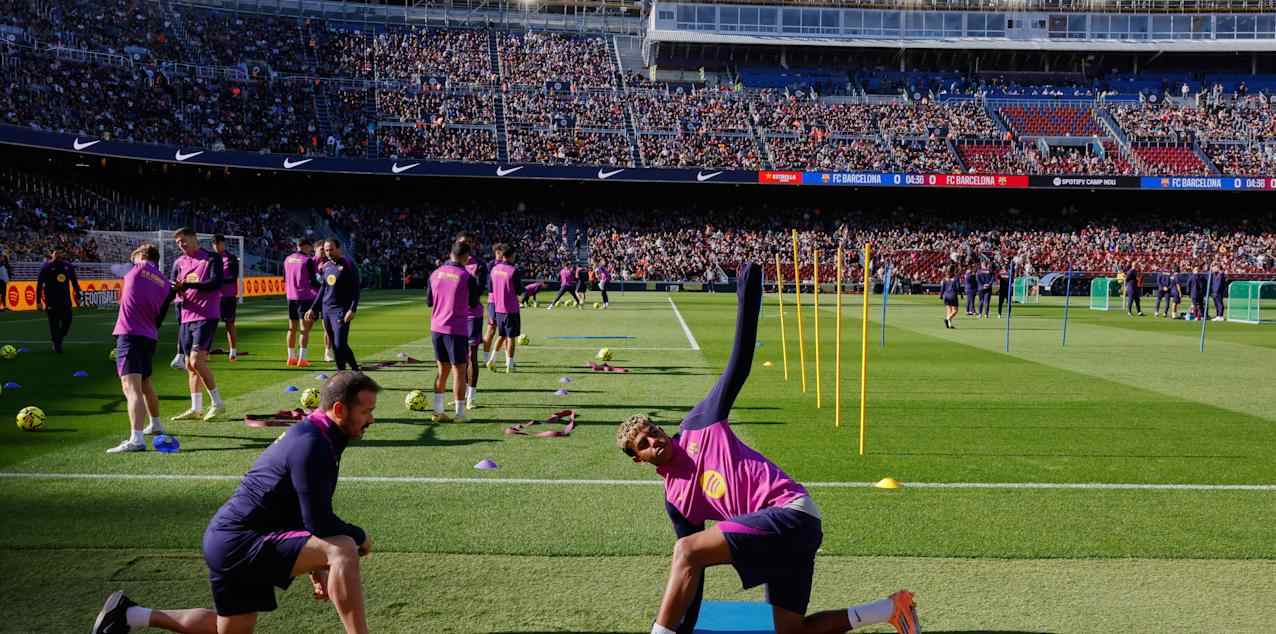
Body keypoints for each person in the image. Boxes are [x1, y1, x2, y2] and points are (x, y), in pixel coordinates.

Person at [614, 262, 919, 634]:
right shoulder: (676, 499)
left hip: (792, 513)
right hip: (780, 540)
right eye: (644, 444)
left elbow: (738, 366)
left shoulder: (698, 424)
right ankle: (891, 608)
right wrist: (683, 628)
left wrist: (748, 299)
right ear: (638, 459)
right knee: (792, 631)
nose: (655, 441)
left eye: (654, 431)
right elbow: (692, 575)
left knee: (686, 551)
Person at [92, 371, 380, 634]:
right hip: (241, 539)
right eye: (366, 411)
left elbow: (296, 506)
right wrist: (359, 536)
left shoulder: (321, 434)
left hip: (229, 539)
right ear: (340, 410)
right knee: (343, 547)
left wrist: (315, 565)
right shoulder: (313, 443)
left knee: (229, 628)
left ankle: (130, 615)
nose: (371, 419)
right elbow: (318, 522)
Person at [107, 244, 177, 453]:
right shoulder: (164, 283)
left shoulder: (134, 269)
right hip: (149, 335)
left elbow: (114, 268)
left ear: (141, 256)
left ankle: (136, 439)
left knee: (131, 387)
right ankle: (155, 424)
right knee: (145, 383)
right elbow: (168, 299)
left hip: (130, 332)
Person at [170, 228, 227, 422]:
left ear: (195, 238)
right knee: (189, 365)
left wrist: (188, 285)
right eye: (178, 242)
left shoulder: (211, 258)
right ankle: (195, 409)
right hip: (186, 317)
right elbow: (173, 285)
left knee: (196, 361)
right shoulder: (179, 262)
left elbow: (215, 283)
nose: (181, 244)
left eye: (184, 240)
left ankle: (218, 403)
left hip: (206, 315)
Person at [426, 240, 480, 422]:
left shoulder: (435, 273)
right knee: (460, 370)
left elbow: (429, 302)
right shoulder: (467, 277)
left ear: (450, 254)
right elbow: (473, 303)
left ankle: (438, 411)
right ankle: (460, 413)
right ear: (466, 257)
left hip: (436, 327)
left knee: (442, 371)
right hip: (456, 329)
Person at [307, 239, 360, 372]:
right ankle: (342, 372)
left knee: (339, 343)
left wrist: (352, 309)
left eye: (331, 249)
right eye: (326, 250)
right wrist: (313, 308)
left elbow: (356, 288)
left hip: (341, 310)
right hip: (326, 310)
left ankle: (353, 371)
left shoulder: (348, 264)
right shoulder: (326, 266)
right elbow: (323, 289)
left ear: (338, 249)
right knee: (336, 345)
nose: (328, 253)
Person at [456, 232, 489, 410]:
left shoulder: (479, 265)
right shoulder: (450, 266)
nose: (465, 246)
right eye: (462, 243)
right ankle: (459, 394)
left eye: (468, 243)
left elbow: (477, 294)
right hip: (453, 316)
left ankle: (470, 397)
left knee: (471, 356)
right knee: (457, 359)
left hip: (471, 316)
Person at [35, 247, 83, 353]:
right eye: (55, 253)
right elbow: (39, 285)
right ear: (52, 254)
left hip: (66, 300)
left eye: (60, 252)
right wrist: (38, 301)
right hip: (51, 301)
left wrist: (78, 296)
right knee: (54, 324)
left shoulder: (68, 266)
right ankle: (57, 344)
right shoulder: (46, 267)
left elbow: (74, 282)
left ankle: (58, 339)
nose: (58, 254)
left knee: (68, 322)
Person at [486, 243, 523, 373]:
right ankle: (510, 365)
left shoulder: (494, 269)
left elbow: (490, 288)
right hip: (511, 309)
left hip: (498, 308)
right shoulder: (514, 271)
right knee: (511, 337)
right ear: (511, 255)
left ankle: (492, 359)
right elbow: (519, 290)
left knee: (501, 336)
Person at [284, 239, 321, 367]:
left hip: (290, 296)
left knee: (292, 328)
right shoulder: (307, 260)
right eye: (310, 247)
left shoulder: (287, 259)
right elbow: (313, 281)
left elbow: (285, 278)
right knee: (304, 329)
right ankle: (302, 359)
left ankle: (290, 358)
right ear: (306, 246)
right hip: (304, 297)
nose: (311, 249)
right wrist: (324, 285)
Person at [214, 235, 242, 361]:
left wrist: (218, 281)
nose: (216, 246)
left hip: (228, 295)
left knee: (229, 324)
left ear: (223, 244)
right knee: (208, 324)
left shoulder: (231, 258)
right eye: (214, 244)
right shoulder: (210, 258)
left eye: (218, 243)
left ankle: (233, 351)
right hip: (213, 296)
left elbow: (233, 276)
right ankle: (205, 351)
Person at [0, 246, 11, 311]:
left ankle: (4, 306)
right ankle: (3, 306)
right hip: (1, 279)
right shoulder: (1, 264)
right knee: (2, 293)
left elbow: (7, 267)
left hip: (3, 280)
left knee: (3, 293)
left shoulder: (4, 262)